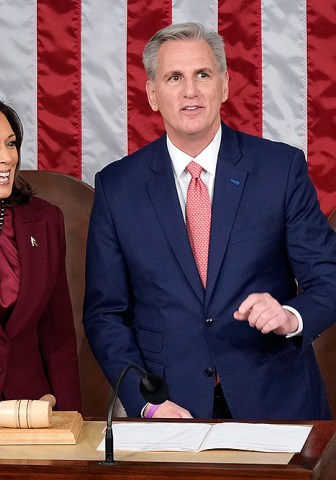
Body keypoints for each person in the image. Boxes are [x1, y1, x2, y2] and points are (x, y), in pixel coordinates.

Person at [83, 22, 336, 420]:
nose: (190, 91)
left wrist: (292, 316)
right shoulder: (117, 187)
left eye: (203, 74)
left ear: (224, 85)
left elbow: (329, 276)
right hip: (170, 405)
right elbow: (105, 314)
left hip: (276, 399)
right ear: (152, 93)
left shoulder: (280, 169)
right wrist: (146, 402)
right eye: (174, 77)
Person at [0, 93, 82, 415]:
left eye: (10, 144)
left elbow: (58, 336)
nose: (7, 158)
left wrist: (72, 423)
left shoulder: (45, 219)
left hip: (29, 418)